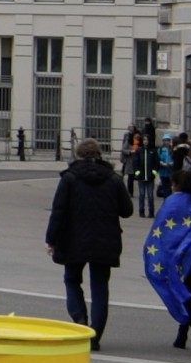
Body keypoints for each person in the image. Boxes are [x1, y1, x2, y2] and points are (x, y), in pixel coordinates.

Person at [45, 134, 130, 343]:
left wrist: (51, 239)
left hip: (73, 238)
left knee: (72, 279)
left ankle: (80, 319)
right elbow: (127, 210)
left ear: (78, 155)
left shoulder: (70, 178)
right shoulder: (113, 179)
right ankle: (96, 334)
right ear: (100, 155)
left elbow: (58, 211)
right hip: (105, 239)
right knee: (100, 286)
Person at [144, 161, 191, 357]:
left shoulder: (171, 203)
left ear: (177, 185)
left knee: (185, 297)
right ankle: (181, 336)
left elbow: (160, 233)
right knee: (186, 295)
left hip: (175, 259)